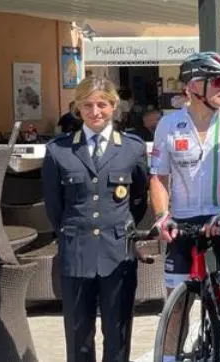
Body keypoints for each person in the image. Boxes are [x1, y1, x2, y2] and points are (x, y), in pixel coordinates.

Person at [148, 52, 220, 362]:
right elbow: (158, 178)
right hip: (183, 221)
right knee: (177, 305)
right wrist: (162, 217)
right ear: (194, 87)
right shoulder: (169, 125)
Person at [41, 76, 150, 362]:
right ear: (78, 108)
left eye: (102, 104)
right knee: (79, 336)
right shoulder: (58, 150)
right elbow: (54, 207)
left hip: (117, 253)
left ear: (114, 106)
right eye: (87, 105)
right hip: (77, 252)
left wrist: (122, 228)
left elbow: (139, 198)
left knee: (118, 333)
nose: (95, 111)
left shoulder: (132, 148)